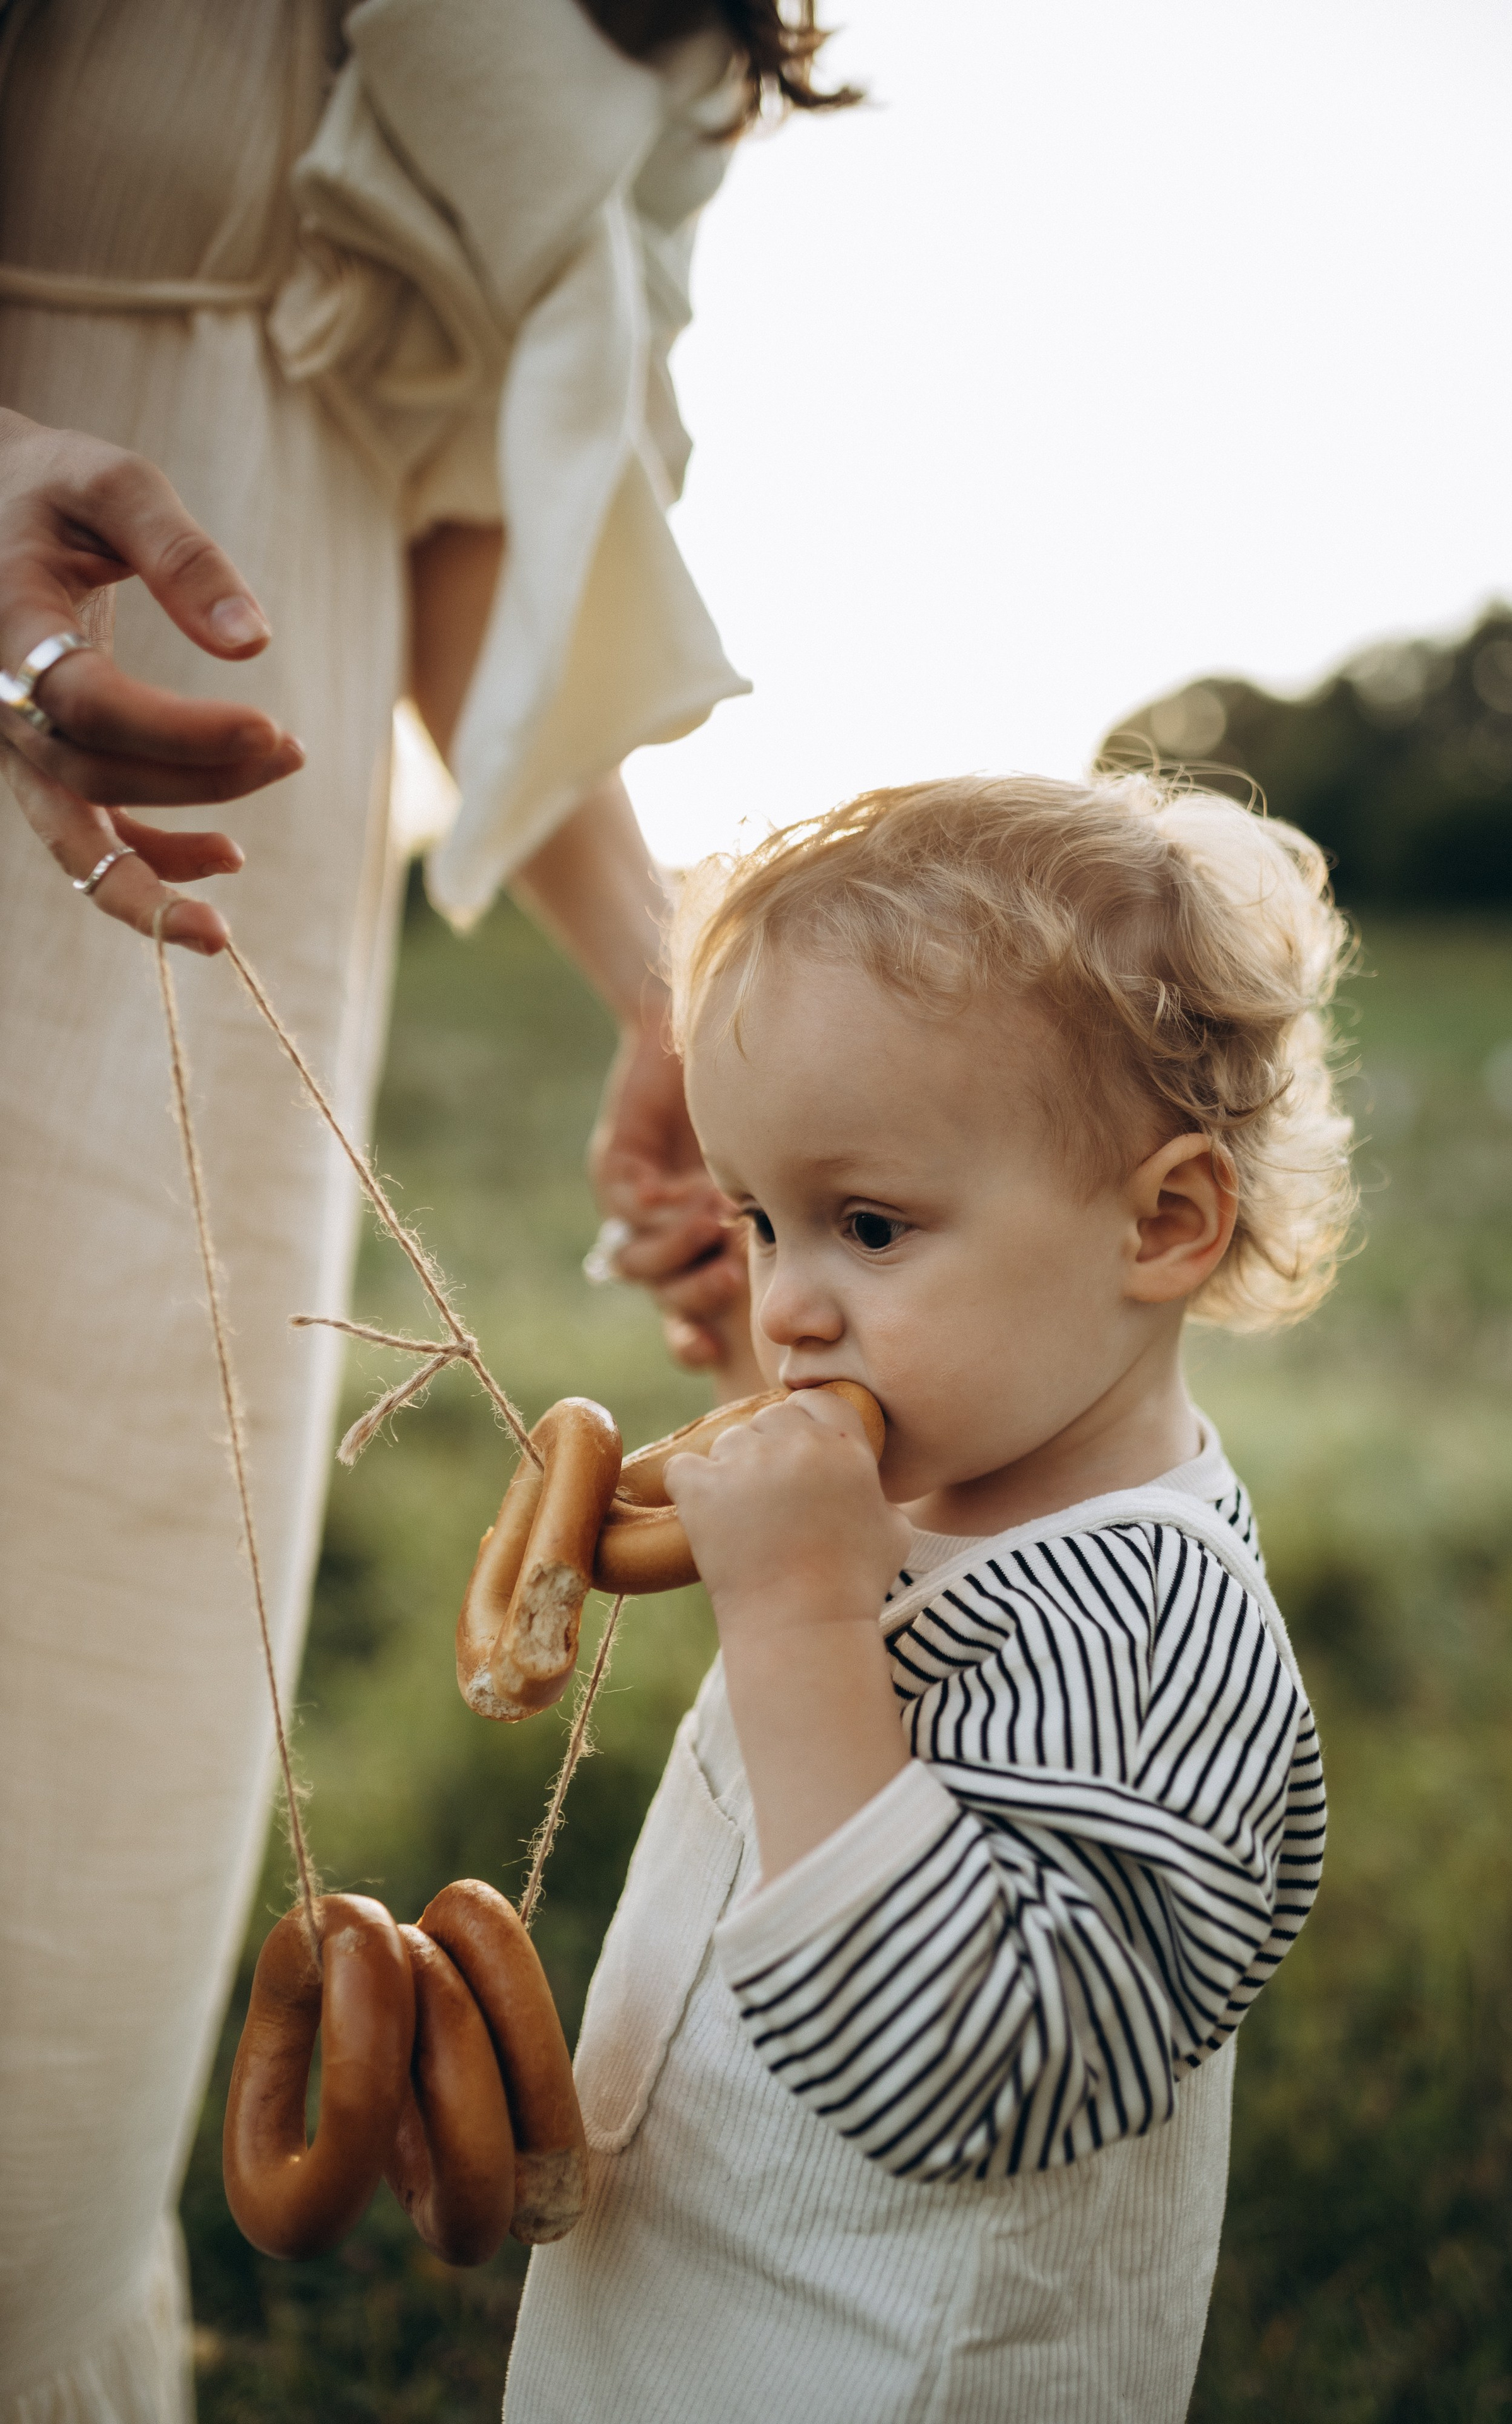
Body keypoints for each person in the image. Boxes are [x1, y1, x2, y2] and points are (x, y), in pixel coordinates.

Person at [0, 5, 852, 2418]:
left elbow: (460, 531)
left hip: (217, 926)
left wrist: (667, 995)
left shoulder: (675, 24)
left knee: (72, 1871)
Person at [504, 772, 1350, 2423]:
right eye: (762, 1220)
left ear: (1164, 1222)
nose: (788, 1308)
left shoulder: (1150, 1623)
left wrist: (806, 1618)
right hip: (683, 2324)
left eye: (869, 1224)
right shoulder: (925, 1498)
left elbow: (965, 2073)